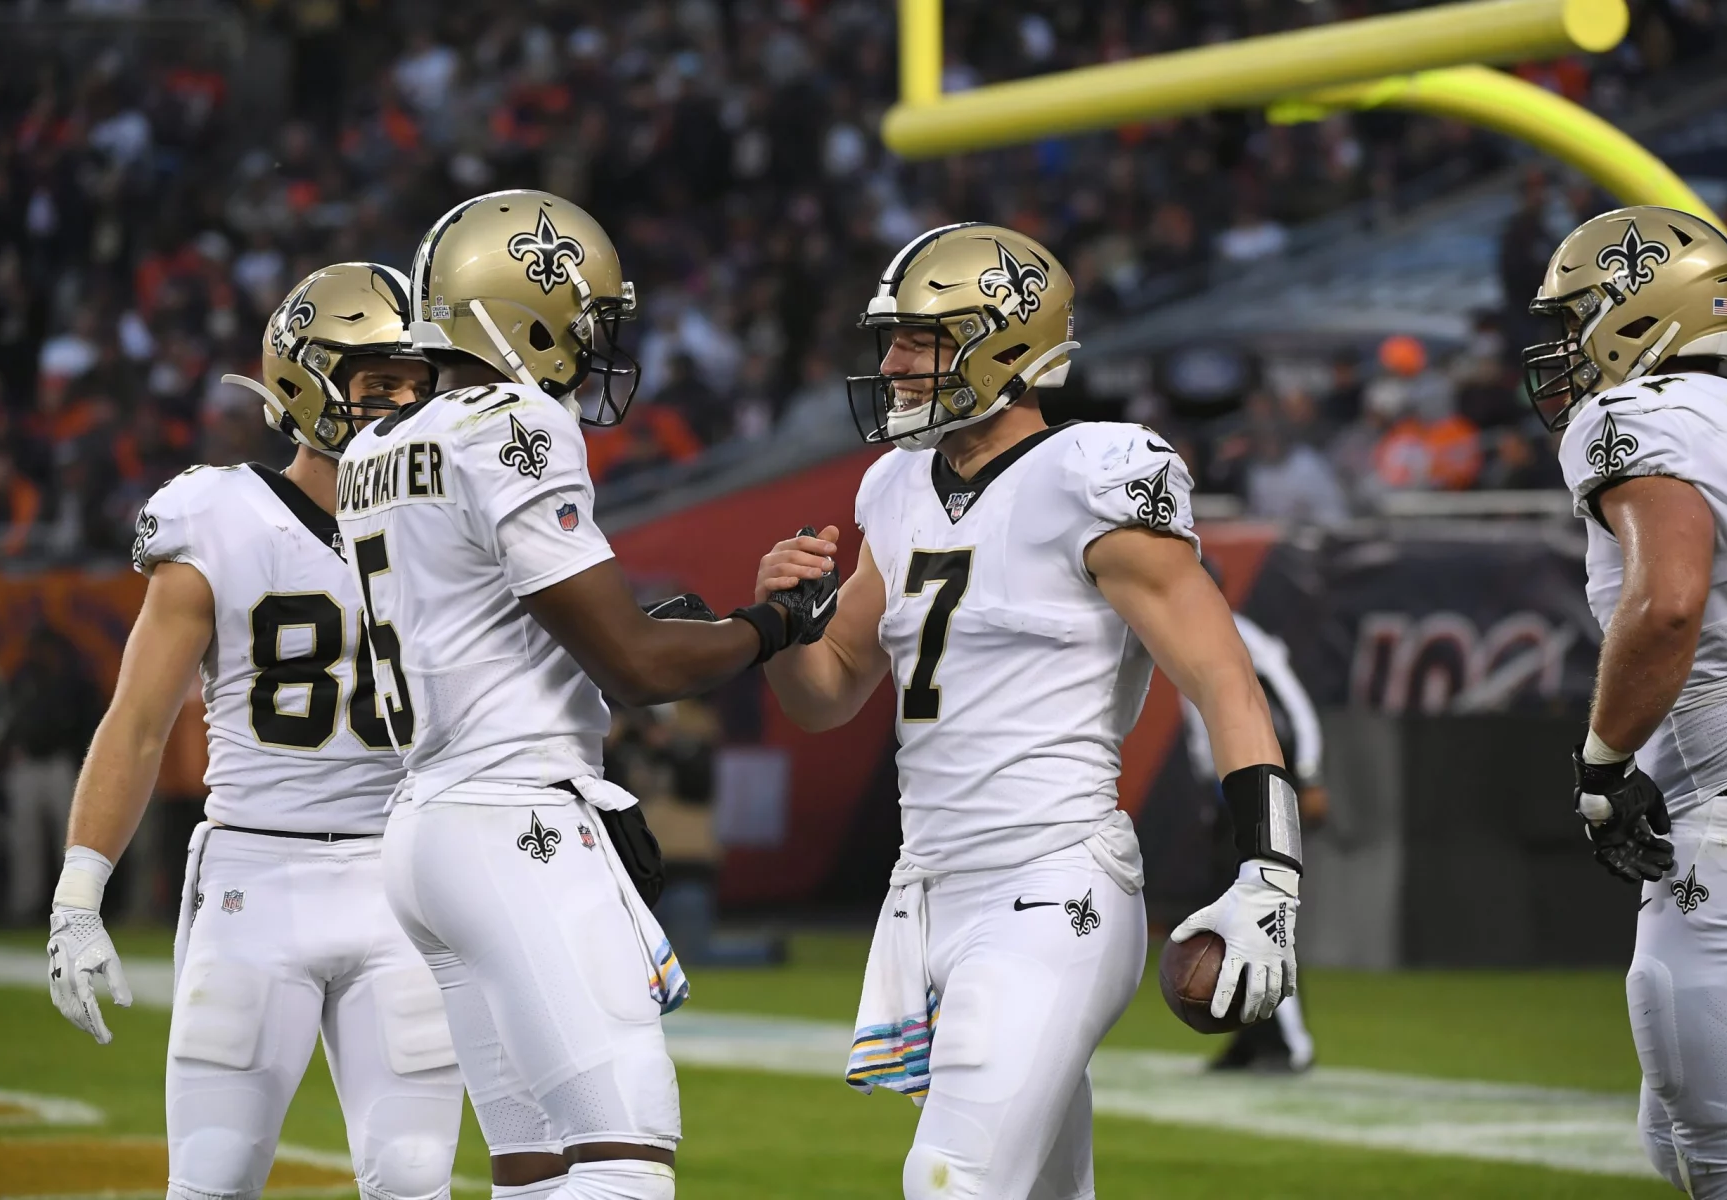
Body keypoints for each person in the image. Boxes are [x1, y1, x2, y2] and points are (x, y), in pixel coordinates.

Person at [755, 222, 1304, 1200]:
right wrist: (785, 627)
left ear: (1002, 343)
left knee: (953, 1180)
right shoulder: (893, 486)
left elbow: (1223, 678)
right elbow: (831, 690)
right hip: (932, 885)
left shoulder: (1094, 473)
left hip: (1053, 884)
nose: (891, 363)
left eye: (919, 340)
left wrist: (1270, 868)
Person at [334, 189, 833, 1200]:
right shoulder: (515, 419)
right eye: (585, 313)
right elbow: (637, 669)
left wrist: (697, 627)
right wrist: (774, 626)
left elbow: (505, 624)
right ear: (521, 304)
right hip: (513, 822)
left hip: (426, 829)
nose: (593, 339)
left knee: (535, 1164)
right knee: (623, 1147)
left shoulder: (372, 449)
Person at [44, 263, 477, 1200]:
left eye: (414, 382)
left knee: (413, 1183)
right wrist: (82, 891)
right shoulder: (217, 515)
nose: (401, 404)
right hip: (256, 877)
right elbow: (139, 720)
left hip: (403, 880)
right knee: (214, 1178)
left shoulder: (450, 519)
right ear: (303, 387)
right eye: (376, 384)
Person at [1524, 204, 1727, 1198]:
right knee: (1670, 1138)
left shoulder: (1635, 415)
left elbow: (1667, 607)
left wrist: (1604, 766)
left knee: (1722, 1159)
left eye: (1578, 316)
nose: (1562, 346)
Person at [1179, 579, 1327, 1073]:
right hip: (1222, 796)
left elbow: (1293, 705)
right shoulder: (1176, 631)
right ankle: (1246, 1035)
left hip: (1260, 793)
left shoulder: (1237, 632)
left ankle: (1290, 1043)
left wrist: (1307, 773)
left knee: (1265, 915)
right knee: (1227, 919)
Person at [4, 623, 100, 924]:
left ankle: (74, 906)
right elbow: (6, 716)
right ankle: (26, 906)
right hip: (28, 764)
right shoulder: (22, 677)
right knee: (25, 841)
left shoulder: (73, 680)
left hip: (60, 765)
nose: (38, 653)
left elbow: (89, 723)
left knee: (70, 839)